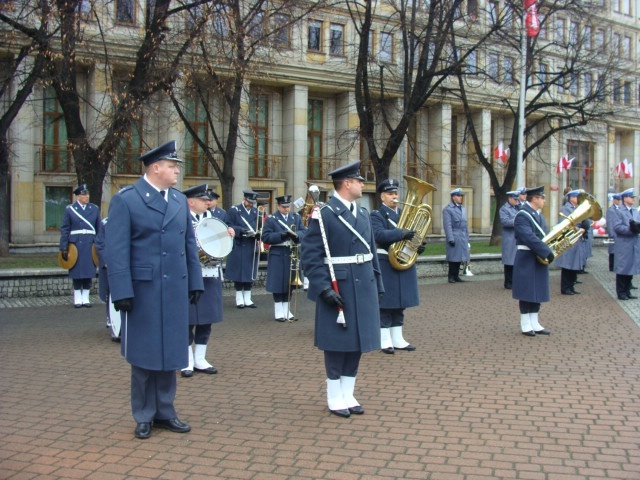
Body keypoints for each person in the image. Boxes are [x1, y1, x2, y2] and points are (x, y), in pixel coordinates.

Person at [106, 140, 204, 440]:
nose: (177, 171)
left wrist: (195, 280)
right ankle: (144, 415)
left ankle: (165, 411)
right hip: (143, 290)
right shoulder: (127, 200)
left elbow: (189, 244)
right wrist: (120, 290)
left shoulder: (177, 200)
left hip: (174, 287)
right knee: (145, 355)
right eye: (172, 166)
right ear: (155, 167)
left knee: (171, 352)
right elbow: (116, 250)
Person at [300, 160, 383, 418]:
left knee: (357, 344)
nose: (362, 185)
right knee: (337, 345)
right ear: (346, 183)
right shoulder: (324, 214)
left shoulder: (363, 213)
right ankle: (335, 396)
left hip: (364, 285)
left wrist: (377, 283)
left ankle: (349, 392)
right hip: (340, 286)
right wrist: (323, 287)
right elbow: (311, 256)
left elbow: (371, 252)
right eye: (358, 180)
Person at [371, 178, 422, 354]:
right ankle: (384, 338)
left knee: (400, 303)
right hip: (386, 262)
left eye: (395, 193)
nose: (394, 197)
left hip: (404, 261)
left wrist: (418, 246)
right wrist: (401, 234)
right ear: (382, 197)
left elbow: (414, 236)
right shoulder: (376, 215)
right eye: (390, 194)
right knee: (386, 303)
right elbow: (378, 234)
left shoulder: (405, 214)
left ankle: (398, 337)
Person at [180, 184, 226, 378]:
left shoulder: (211, 219)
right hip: (189, 275)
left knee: (207, 318)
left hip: (210, 273)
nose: (208, 202)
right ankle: (186, 359)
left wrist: (227, 234)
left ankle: (200, 358)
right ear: (191, 202)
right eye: (203, 199)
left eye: (208, 199)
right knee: (187, 320)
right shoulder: (180, 219)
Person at [512, 186, 554, 336]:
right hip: (527, 256)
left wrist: (550, 248)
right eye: (542, 197)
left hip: (538, 256)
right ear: (535, 198)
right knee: (527, 290)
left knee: (538, 290)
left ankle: (534, 322)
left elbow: (545, 235)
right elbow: (528, 237)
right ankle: (525, 323)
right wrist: (545, 251)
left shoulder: (539, 215)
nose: (544, 200)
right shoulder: (522, 215)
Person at [262, 194, 307, 322]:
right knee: (278, 283)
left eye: (288, 206)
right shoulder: (272, 219)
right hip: (278, 252)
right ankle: (278, 311)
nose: (286, 209)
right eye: (283, 207)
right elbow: (265, 237)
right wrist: (281, 235)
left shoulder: (296, 217)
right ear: (278, 206)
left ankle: (287, 310)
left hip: (291, 253)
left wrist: (296, 235)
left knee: (290, 282)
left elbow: (304, 232)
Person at [59, 184, 102, 308]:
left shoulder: (94, 209)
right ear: (78, 196)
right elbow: (65, 229)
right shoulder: (70, 209)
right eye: (84, 195)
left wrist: (99, 245)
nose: (87, 197)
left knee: (89, 271)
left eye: (87, 194)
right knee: (76, 272)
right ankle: (77, 297)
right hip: (75, 245)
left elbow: (99, 228)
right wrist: (63, 247)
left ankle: (86, 297)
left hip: (90, 244)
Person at [225, 190, 261, 308]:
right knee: (239, 272)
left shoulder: (257, 212)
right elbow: (228, 225)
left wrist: (258, 233)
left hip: (251, 244)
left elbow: (260, 226)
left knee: (250, 272)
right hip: (239, 244)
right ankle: (239, 298)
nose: (251, 204)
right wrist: (241, 230)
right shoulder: (234, 210)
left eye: (252, 202)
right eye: (249, 202)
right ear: (244, 199)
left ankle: (248, 298)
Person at [553, 190, 588, 295]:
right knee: (568, 265)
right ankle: (565, 287)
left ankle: (571, 286)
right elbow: (565, 224)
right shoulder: (566, 208)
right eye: (577, 197)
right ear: (571, 198)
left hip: (577, 240)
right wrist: (578, 229)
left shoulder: (576, 208)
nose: (579, 199)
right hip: (569, 239)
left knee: (574, 264)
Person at [610, 188, 640, 301]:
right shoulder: (619, 211)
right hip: (624, 244)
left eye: (633, 198)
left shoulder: (635, 211)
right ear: (625, 198)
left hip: (634, 244)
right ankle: (621, 292)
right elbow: (617, 227)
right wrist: (631, 229)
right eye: (631, 197)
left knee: (631, 268)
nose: (633, 199)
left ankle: (627, 291)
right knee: (623, 268)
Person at [442, 188, 470, 283]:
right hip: (454, 234)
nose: (461, 197)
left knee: (460, 256)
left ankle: (456, 275)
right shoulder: (448, 209)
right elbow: (447, 225)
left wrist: (467, 237)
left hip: (462, 235)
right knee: (453, 257)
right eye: (458, 196)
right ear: (453, 197)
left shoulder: (463, 209)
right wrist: (450, 238)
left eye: (461, 195)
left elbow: (465, 225)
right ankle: (451, 276)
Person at [499, 190, 520, 289]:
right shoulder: (504, 209)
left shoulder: (518, 207)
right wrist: (517, 221)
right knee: (509, 261)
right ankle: (508, 282)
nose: (517, 201)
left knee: (516, 261)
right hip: (509, 237)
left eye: (517, 199)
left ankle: (515, 281)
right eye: (515, 199)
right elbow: (505, 222)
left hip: (517, 237)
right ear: (510, 198)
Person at [606, 193, 622, 272]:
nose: (619, 201)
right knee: (612, 251)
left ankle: (616, 265)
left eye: (620, 200)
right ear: (614, 200)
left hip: (618, 233)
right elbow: (609, 222)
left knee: (617, 251)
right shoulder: (610, 209)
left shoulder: (620, 208)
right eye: (618, 200)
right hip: (613, 233)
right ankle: (611, 266)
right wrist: (611, 233)